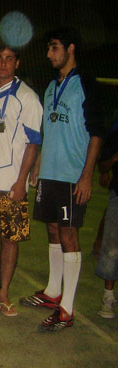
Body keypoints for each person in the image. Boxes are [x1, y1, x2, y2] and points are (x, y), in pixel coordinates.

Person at [20, 27, 104, 331]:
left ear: (70, 48)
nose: (49, 54)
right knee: (53, 231)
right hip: (50, 174)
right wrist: (38, 164)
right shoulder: (52, 87)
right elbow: (49, 130)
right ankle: (54, 292)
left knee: (69, 236)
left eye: (53, 48)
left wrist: (86, 176)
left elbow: (97, 133)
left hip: (71, 175)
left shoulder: (87, 85)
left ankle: (67, 308)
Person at [0, 44, 42, 317]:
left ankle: (3, 293)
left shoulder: (27, 98)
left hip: (11, 184)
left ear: (17, 63)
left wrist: (21, 181)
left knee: (9, 240)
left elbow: (32, 144)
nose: (3, 64)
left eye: (9, 59)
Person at [95, 123, 118, 318]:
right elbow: (102, 165)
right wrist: (113, 160)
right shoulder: (116, 131)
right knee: (111, 248)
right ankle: (108, 296)